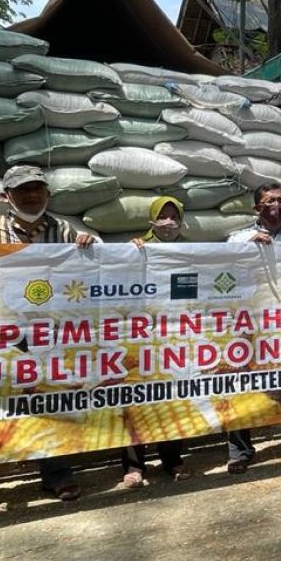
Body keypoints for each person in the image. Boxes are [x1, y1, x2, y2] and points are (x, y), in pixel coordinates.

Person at [0, 164, 97, 523]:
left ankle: (56, 475)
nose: (32, 195)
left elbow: (93, 271)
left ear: (47, 193)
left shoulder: (63, 231)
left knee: (52, 401)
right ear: (5, 197)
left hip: (45, 336)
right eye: (22, 190)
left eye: (37, 189)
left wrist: (90, 246)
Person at [224, 183, 281, 471]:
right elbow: (224, 270)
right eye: (270, 200)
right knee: (241, 383)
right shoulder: (238, 238)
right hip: (248, 321)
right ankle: (240, 451)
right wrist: (250, 245)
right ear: (256, 208)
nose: (277, 204)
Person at [120, 196, 192, 488]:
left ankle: (172, 459)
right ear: (151, 220)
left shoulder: (191, 251)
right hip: (139, 334)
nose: (168, 222)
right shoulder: (135, 247)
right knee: (135, 400)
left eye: (174, 216)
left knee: (171, 398)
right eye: (162, 216)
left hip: (175, 334)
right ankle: (134, 466)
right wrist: (127, 254)